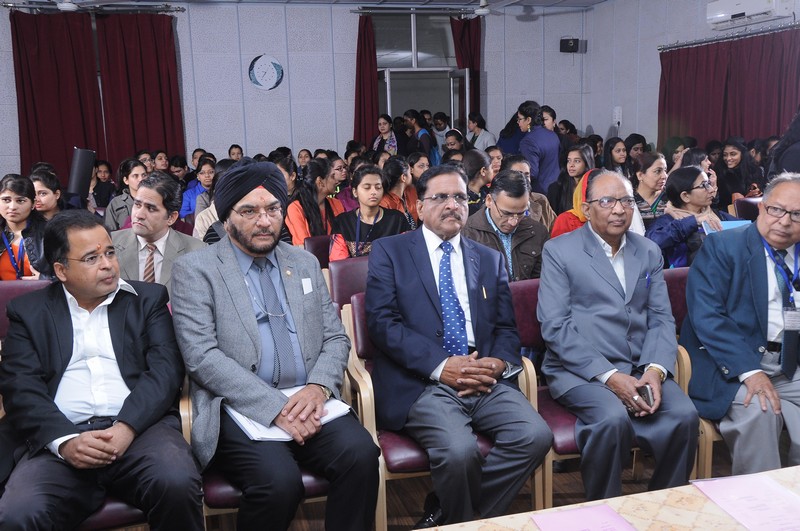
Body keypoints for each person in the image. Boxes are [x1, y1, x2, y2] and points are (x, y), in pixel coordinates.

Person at [171, 158, 380, 531]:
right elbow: (201, 357)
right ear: (226, 218)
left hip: (309, 399)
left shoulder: (303, 262)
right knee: (278, 483)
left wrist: (318, 387)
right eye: (249, 211)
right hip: (239, 406)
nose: (264, 221)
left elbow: (335, 337)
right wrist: (275, 407)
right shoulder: (196, 270)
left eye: (273, 209)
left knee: (361, 456)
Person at [366, 164, 552, 527]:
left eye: (460, 197)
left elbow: (505, 327)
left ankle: (453, 510)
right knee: (459, 451)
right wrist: (441, 366)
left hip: (482, 375)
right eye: (441, 197)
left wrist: (499, 363)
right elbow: (383, 324)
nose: (453, 205)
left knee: (535, 436)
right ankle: (464, 515)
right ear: (420, 206)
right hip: (422, 380)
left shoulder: (488, 258)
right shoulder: (390, 251)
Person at [0, 209, 203, 529]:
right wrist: (65, 441)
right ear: (61, 270)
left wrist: (127, 427)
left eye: (110, 252)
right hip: (60, 438)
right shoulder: (29, 312)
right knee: (20, 512)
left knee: (176, 483)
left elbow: (165, 372)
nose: (107, 264)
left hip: (141, 432)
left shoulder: (147, 300)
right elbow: (20, 387)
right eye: (91, 258)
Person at [538, 170, 698, 501]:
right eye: (607, 201)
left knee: (684, 416)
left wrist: (655, 370)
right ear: (586, 208)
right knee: (610, 419)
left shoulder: (648, 250)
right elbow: (555, 326)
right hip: (580, 370)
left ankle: (661, 505)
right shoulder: (559, 251)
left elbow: (661, 318)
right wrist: (610, 376)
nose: (619, 209)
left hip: (640, 365)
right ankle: (605, 510)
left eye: (626, 201)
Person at [681, 173, 800, 475]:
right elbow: (708, 317)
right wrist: (750, 371)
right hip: (730, 365)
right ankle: (760, 502)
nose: (785, 222)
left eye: (797, 215)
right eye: (777, 210)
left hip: (790, 364)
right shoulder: (723, 247)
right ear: (761, 207)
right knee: (760, 413)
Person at [112, 172, 205, 297]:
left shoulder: (197, 252)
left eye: (151, 208)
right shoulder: (110, 244)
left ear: (171, 217)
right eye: (137, 205)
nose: (139, 215)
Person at [462, 169, 549, 280]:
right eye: (506, 214)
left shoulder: (538, 232)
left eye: (521, 213)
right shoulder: (466, 235)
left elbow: (542, 281)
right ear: (489, 200)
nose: (513, 222)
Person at [645, 166, 735, 268]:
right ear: (685, 196)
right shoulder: (667, 221)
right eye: (703, 185)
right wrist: (693, 221)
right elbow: (651, 244)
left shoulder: (715, 215)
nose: (711, 190)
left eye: (709, 184)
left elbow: (745, 228)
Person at [329, 165, 410, 262]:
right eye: (367, 188)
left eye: (378, 187)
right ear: (355, 192)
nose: (373, 192)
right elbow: (339, 263)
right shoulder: (343, 222)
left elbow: (407, 255)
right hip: (355, 271)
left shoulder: (397, 219)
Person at [285, 158, 345, 246]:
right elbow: (303, 246)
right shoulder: (296, 208)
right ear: (320, 181)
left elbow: (344, 238)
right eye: (332, 176)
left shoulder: (337, 204)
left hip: (337, 253)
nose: (336, 181)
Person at [0, 174, 50, 279]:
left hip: (40, 289)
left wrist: (44, 279)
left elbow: (70, 274)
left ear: (33, 204)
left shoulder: (50, 233)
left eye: (20, 201)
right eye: (6, 200)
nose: (12, 207)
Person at [499, 155, 558, 230]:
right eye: (518, 175)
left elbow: (555, 230)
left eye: (527, 175)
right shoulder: (496, 204)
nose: (524, 179)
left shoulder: (541, 200)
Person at [517, 100, 560, 195]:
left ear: (528, 120)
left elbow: (532, 173)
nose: (518, 123)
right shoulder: (553, 135)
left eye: (520, 119)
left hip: (539, 192)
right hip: (556, 188)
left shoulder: (528, 141)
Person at [714, 139, 765, 209]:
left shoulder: (755, 171)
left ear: (742, 154)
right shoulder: (719, 173)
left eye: (733, 154)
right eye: (725, 155)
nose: (728, 158)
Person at [547, 144, 594, 215]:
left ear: (587, 163)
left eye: (577, 161)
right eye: (569, 161)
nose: (571, 165)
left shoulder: (595, 188)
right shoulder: (556, 189)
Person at [105, 158, 146, 231]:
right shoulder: (116, 203)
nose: (141, 179)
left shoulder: (155, 199)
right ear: (126, 180)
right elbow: (110, 232)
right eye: (135, 176)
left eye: (144, 175)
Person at [379, 157, 418, 229]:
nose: (411, 175)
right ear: (403, 177)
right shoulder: (384, 202)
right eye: (409, 173)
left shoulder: (411, 191)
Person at [633, 152, 668, 229]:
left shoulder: (671, 196)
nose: (664, 176)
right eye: (658, 171)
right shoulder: (630, 200)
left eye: (665, 170)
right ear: (640, 175)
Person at [461, 149, 493, 215]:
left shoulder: (485, 191)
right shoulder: (466, 202)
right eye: (491, 167)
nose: (493, 171)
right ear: (483, 171)